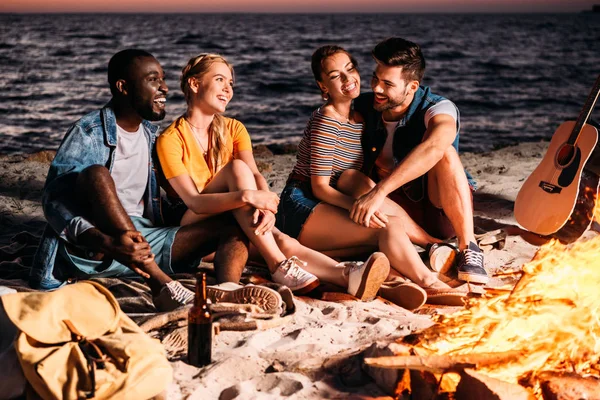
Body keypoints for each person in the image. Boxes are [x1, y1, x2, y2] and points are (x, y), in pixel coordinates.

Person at [156, 53, 390, 300]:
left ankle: (345, 274)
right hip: (195, 227)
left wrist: (267, 206)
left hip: (236, 222)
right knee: (237, 171)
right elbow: (195, 202)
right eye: (220, 80)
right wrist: (250, 197)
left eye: (231, 83)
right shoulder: (170, 139)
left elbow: (255, 175)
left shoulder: (234, 128)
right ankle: (278, 265)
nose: (228, 89)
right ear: (194, 84)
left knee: (280, 238)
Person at [31, 49, 252, 311]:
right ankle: (161, 284)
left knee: (232, 224)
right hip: (100, 246)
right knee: (96, 174)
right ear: (123, 87)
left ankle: (228, 294)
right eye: (153, 80)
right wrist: (108, 242)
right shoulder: (88, 132)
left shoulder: (151, 136)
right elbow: (54, 200)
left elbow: (172, 198)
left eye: (163, 79)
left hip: (147, 239)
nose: (165, 88)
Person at [276, 45, 463, 310]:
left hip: (334, 201)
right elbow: (318, 187)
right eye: (335, 76)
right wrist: (359, 207)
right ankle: (429, 283)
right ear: (323, 86)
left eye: (350, 69)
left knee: (386, 220)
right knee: (387, 227)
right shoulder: (326, 120)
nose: (347, 79)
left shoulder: (362, 116)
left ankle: (403, 278)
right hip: (302, 203)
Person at [351, 37, 488, 284]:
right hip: (393, 214)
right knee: (352, 178)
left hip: (438, 208)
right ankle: (433, 246)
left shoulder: (437, 107)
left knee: (445, 152)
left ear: (412, 86)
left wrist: (379, 192)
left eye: (387, 84)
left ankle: (469, 248)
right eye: (375, 79)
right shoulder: (363, 106)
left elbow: (436, 144)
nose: (377, 89)